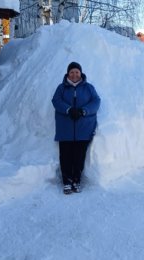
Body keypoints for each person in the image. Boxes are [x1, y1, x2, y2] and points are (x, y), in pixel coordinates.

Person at [52, 62, 101, 194]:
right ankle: (67, 182)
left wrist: (83, 111)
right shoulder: (61, 88)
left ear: (81, 73)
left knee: (79, 157)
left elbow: (96, 101)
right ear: (68, 73)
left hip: (83, 129)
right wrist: (68, 110)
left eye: (77, 72)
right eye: (72, 72)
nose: (74, 75)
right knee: (66, 157)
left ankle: (76, 180)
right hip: (65, 129)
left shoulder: (89, 88)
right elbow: (56, 101)